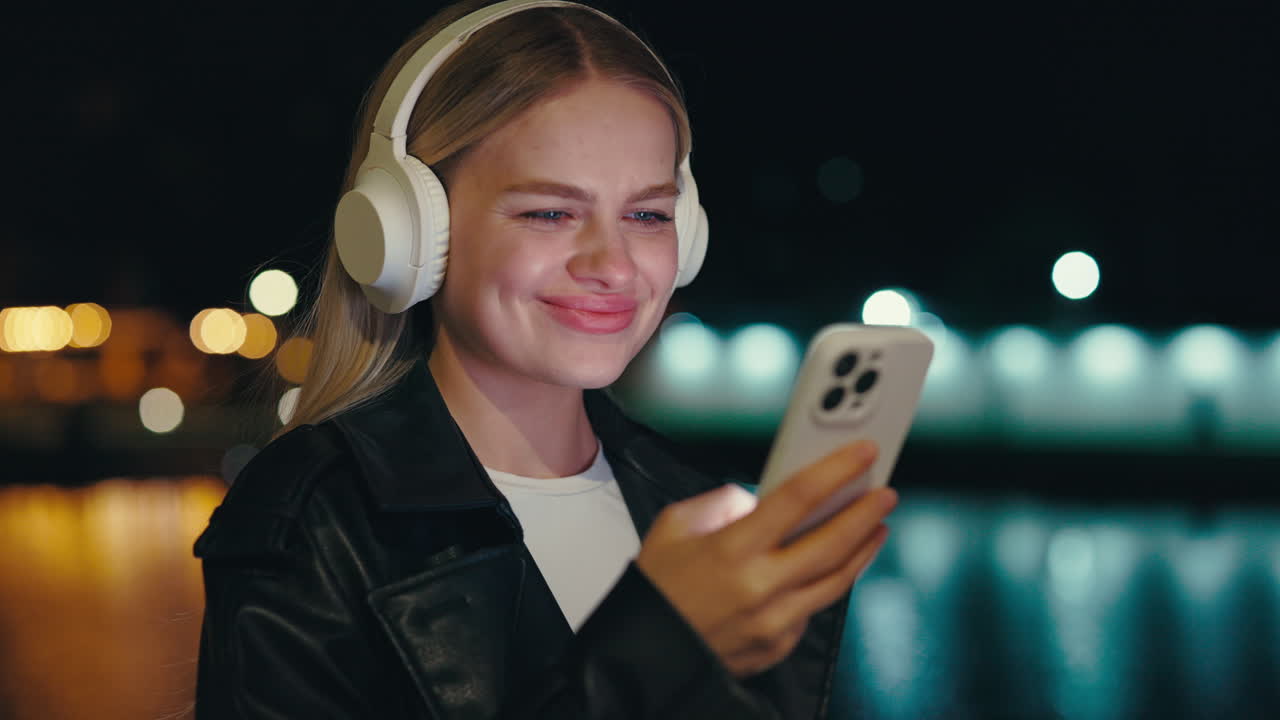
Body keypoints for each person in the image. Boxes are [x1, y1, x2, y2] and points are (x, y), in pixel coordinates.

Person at [193, 1, 898, 717]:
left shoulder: (699, 509)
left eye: (648, 215)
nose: (615, 267)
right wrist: (659, 653)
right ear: (412, 234)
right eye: (550, 213)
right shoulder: (309, 521)